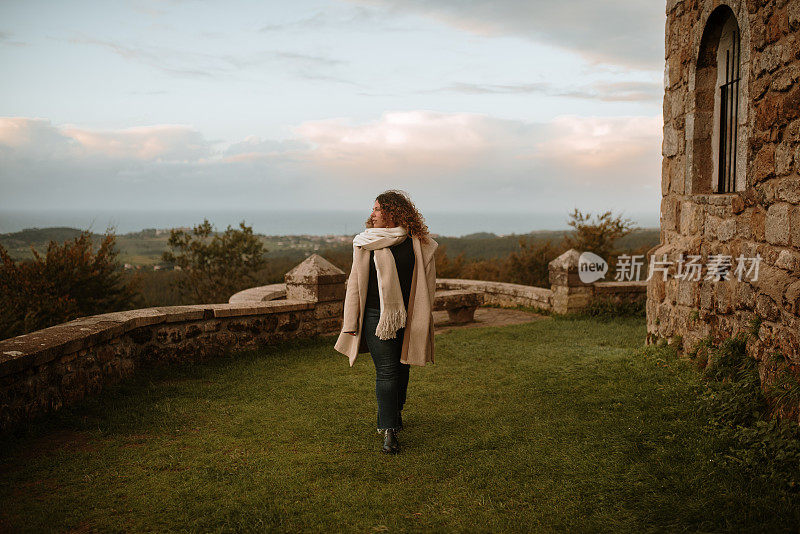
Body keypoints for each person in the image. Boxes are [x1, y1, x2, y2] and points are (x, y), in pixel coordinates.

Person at [334, 190, 438, 454]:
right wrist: (351, 319)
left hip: (409, 315)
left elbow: (427, 283)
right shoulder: (365, 243)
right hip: (374, 315)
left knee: (404, 366)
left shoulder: (416, 243)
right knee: (388, 370)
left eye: (378, 209)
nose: (373, 214)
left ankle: (396, 411)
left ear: (393, 212)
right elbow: (355, 285)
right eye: (374, 209)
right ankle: (389, 430)